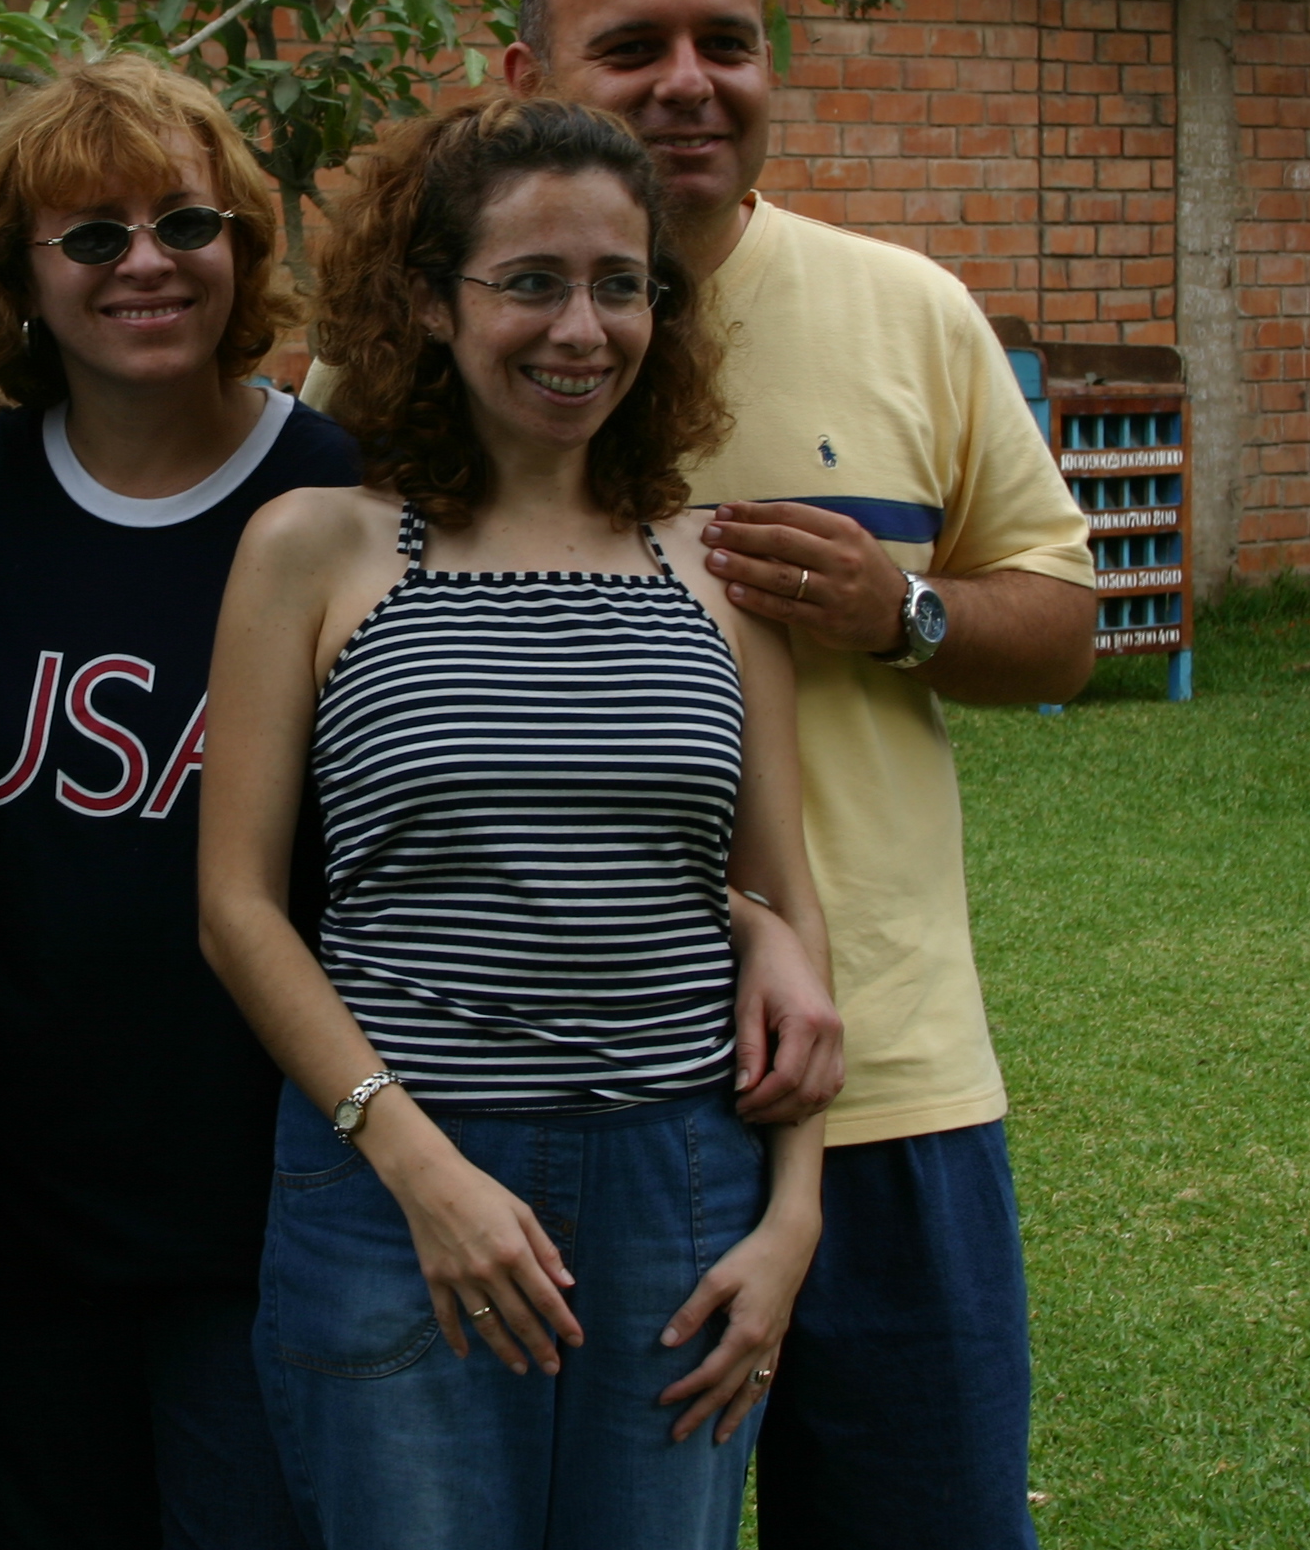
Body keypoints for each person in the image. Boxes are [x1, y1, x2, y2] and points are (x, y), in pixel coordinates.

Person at [509, 0, 1098, 1548]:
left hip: (886, 1080)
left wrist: (902, 611)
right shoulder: (431, 343)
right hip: (563, 1092)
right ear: (526, 75)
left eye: (729, 42)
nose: (689, 83)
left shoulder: (906, 310)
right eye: (632, 46)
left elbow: (1064, 629)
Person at [199, 98, 847, 1548]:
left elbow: (785, 908)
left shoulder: (717, 569)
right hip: (397, 1182)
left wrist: (792, 1219)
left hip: (683, 1190)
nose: (582, 328)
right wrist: (418, 1166)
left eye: (622, 285)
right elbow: (237, 910)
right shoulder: (317, 549)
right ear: (432, 302)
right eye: (532, 282)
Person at [0, 56, 354, 1550]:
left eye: (187, 223)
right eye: (93, 236)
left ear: (244, 245)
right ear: (21, 277)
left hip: (264, 1195)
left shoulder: (344, 498)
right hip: (7, 1201)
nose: (147, 263)